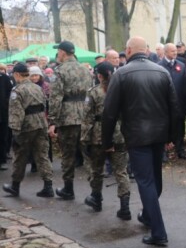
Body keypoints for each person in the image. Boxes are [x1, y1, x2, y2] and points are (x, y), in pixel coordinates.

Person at [102, 36, 178, 246]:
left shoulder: (122, 74)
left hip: (137, 136)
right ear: (146, 50)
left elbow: (109, 113)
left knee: (146, 182)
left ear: (127, 50)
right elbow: (174, 107)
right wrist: (172, 137)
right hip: (159, 135)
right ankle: (148, 215)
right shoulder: (162, 71)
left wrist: (106, 141)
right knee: (154, 179)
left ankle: (159, 232)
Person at [81, 61, 131, 220]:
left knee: (97, 169)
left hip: (98, 136)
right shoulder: (122, 91)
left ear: (99, 75)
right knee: (121, 171)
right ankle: (125, 207)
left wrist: (85, 139)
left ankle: (96, 198)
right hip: (119, 135)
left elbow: (87, 118)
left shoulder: (94, 92)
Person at [48, 41, 92, 200]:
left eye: (59, 52)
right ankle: (96, 192)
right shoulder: (85, 70)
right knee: (89, 154)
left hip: (67, 117)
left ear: (63, 52)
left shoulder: (59, 71)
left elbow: (55, 98)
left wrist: (52, 121)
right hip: (85, 116)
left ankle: (68, 189)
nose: (58, 55)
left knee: (68, 154)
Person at [2, 63, 54, 197]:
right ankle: (48, 186)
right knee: (42, 155)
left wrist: (15, 131)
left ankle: (15, 186)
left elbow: (16, 113)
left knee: (20, 156)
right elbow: (44, 104)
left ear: (17, 74)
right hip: (41, 123)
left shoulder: (17, 90)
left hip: (26, 126)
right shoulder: (37, 87)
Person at [158, 43, 186, 159]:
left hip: (179, 103)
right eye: (172, 51)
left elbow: (185, 84)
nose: (175, 53)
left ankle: (180, 149)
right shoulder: (159, 66)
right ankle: (163, 151)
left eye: (175, 51)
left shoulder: (182, 65)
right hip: (164, 104)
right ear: (165, 52)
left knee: (180, 127)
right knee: (165, 127)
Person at [0, 64, 13, 171]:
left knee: (2, 137)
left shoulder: (4, 78)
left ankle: (2, 160)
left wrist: (6, 102)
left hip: (3, 113)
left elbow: (11, 92)